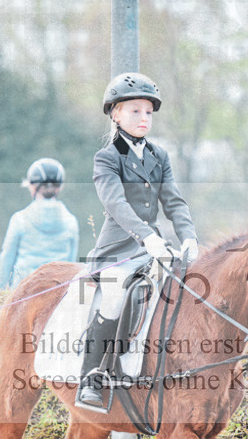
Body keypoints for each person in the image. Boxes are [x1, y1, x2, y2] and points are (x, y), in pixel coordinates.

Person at [77, 72, 199, 408]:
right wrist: (145, 236)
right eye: (135, 111)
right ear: (116, 114)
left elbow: (174, 202)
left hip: (154, 249)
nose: (144, 118)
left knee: (181, 290)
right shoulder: (107, 158)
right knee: (116, 296)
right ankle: (92, 377)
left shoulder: (159, 156)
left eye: (148, 112)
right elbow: (116, 204)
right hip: (118, 250)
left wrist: (189, 237)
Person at [0, 158, 79, 289]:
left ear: (32, 186)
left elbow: (6, 260)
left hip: (23, 292)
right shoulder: (71, 222)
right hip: (57, 293)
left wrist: (0, 291)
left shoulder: (19, 219)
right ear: (59, 188)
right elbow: (70, 265)